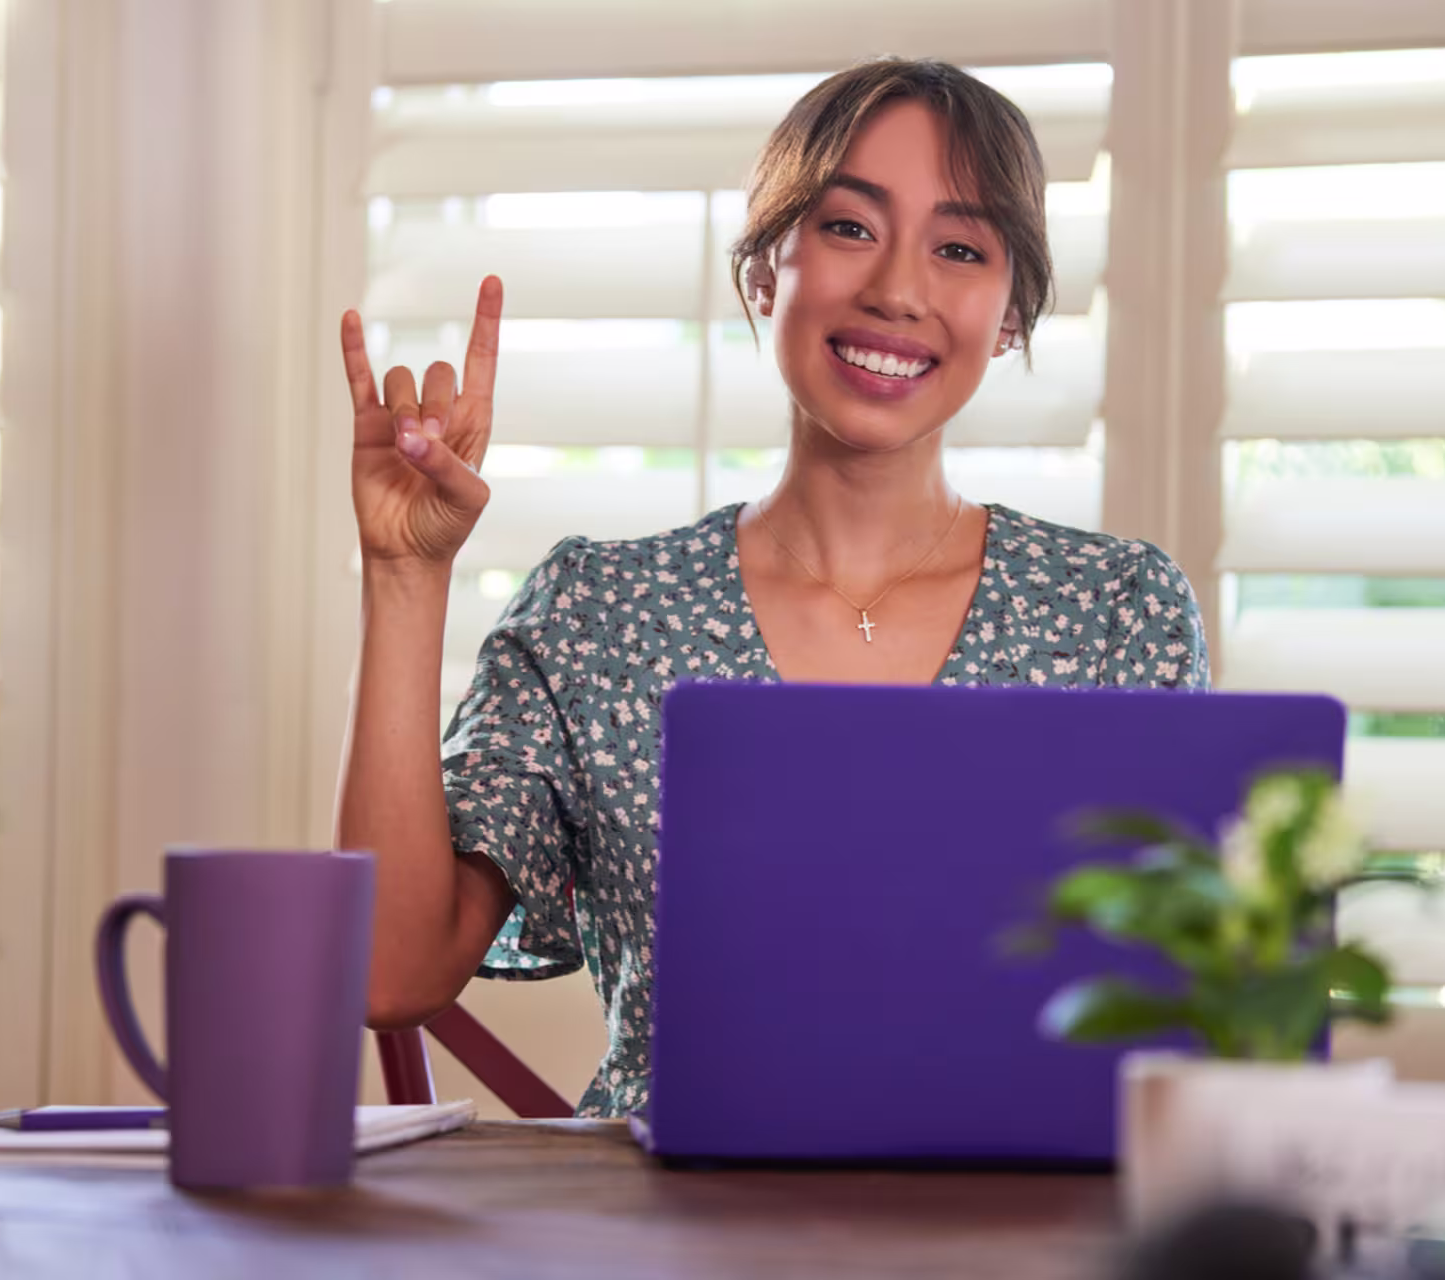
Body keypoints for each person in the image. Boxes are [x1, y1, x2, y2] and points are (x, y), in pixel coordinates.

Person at [336, 58, 1209, 1119]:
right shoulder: (598, 611)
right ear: (765, 269)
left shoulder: (1118, 612)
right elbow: (390, 975)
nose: (897, 287)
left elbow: (1179, 1019)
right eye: (850, 227)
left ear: (1013, 312)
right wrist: (404, 574)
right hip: (668, 1233)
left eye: (961, 248)